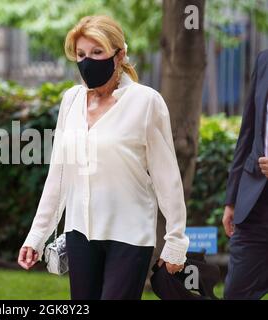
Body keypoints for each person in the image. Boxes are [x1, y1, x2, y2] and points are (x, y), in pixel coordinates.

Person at [17, 15, 189, 300]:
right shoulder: (71, 100)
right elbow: (59, 176)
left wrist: (176, 242)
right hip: (79, 234)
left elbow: (167, 179)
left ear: (119, 54)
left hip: (130, 235)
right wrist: (37, 236)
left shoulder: (146, 102)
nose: (88, 62)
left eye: (97, 53)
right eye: (81, 54)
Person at [222, 49, 268, 300]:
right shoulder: (264, 60)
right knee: (236, 292)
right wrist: (232, 199)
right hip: (255, 204)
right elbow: (248, 132)